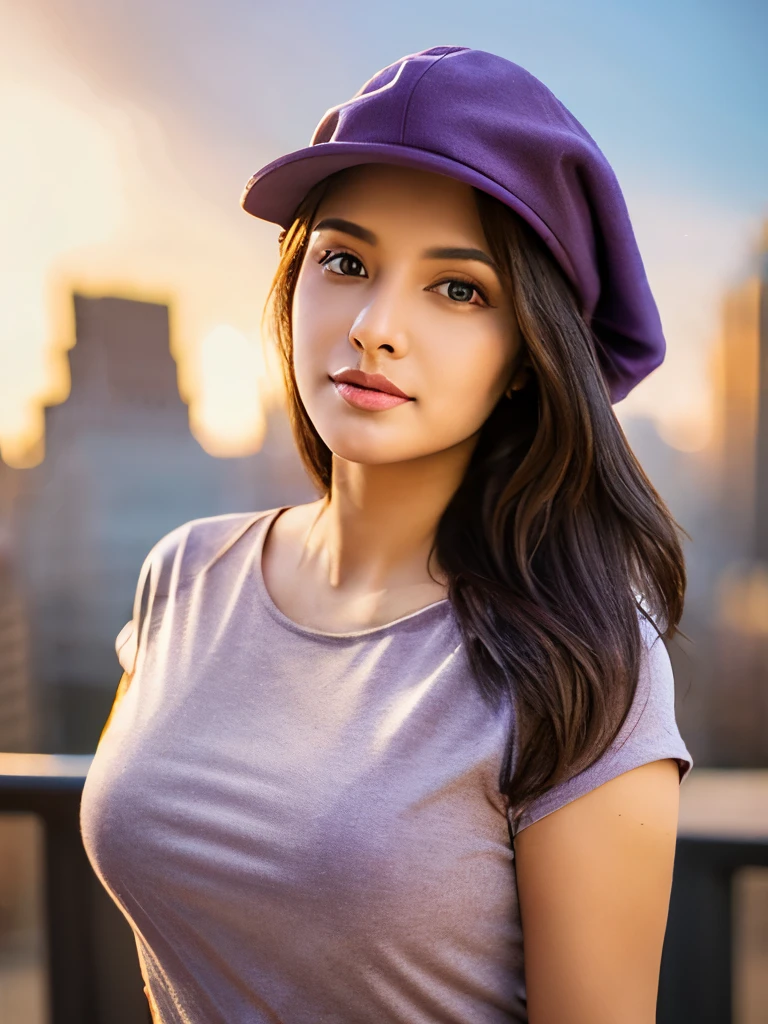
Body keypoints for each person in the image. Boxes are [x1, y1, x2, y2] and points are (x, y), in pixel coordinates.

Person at [81, 45, 694, 1024]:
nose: (373, 324)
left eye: (457, 288)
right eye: (346, 261)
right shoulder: (185, 575)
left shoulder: (587, 660)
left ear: (529, 356)